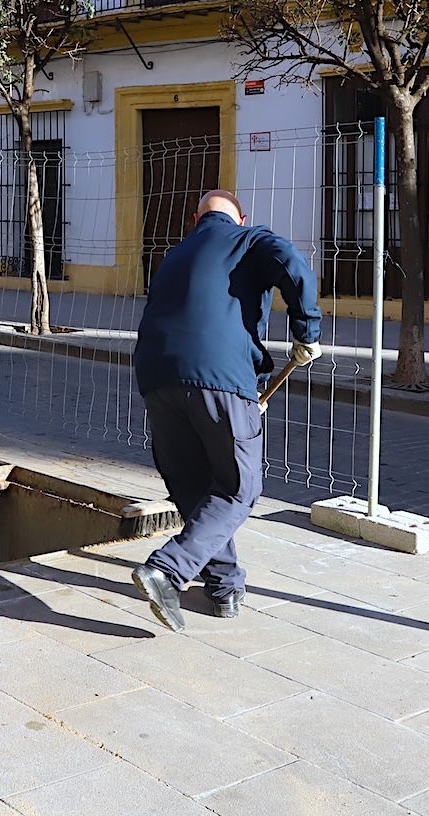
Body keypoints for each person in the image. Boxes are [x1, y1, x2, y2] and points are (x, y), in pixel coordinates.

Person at [129, 190, 321, 631]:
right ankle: (167, 571)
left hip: (157, 378)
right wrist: (306, 331)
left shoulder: (174, 254)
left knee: (196, 488)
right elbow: (292, 264)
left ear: (195, 219)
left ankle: (223, 587)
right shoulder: (249, 239)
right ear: (241, 217)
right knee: (240, 486)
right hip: (220, 376)